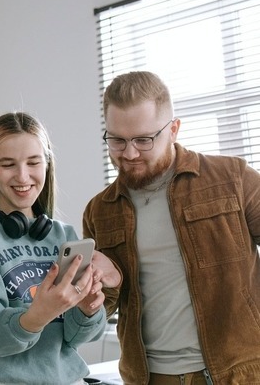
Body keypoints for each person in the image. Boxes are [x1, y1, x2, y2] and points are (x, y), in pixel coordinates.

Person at [82, 70, 260, 384]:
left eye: (144, 140)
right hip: (151, 378)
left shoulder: (233, 178)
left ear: (173, 129)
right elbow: (98, 310)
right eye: (117, 140)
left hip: (240, 374)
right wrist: (92, 292)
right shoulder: (100, 211)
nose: (130, 153)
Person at [0, 112, 122, 385]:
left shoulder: (63, 235)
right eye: (7, 164)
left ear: (47, 164)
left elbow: (75, 339)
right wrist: (39, 314)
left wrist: (88, 309)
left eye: (33, 162)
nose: (22, 176)